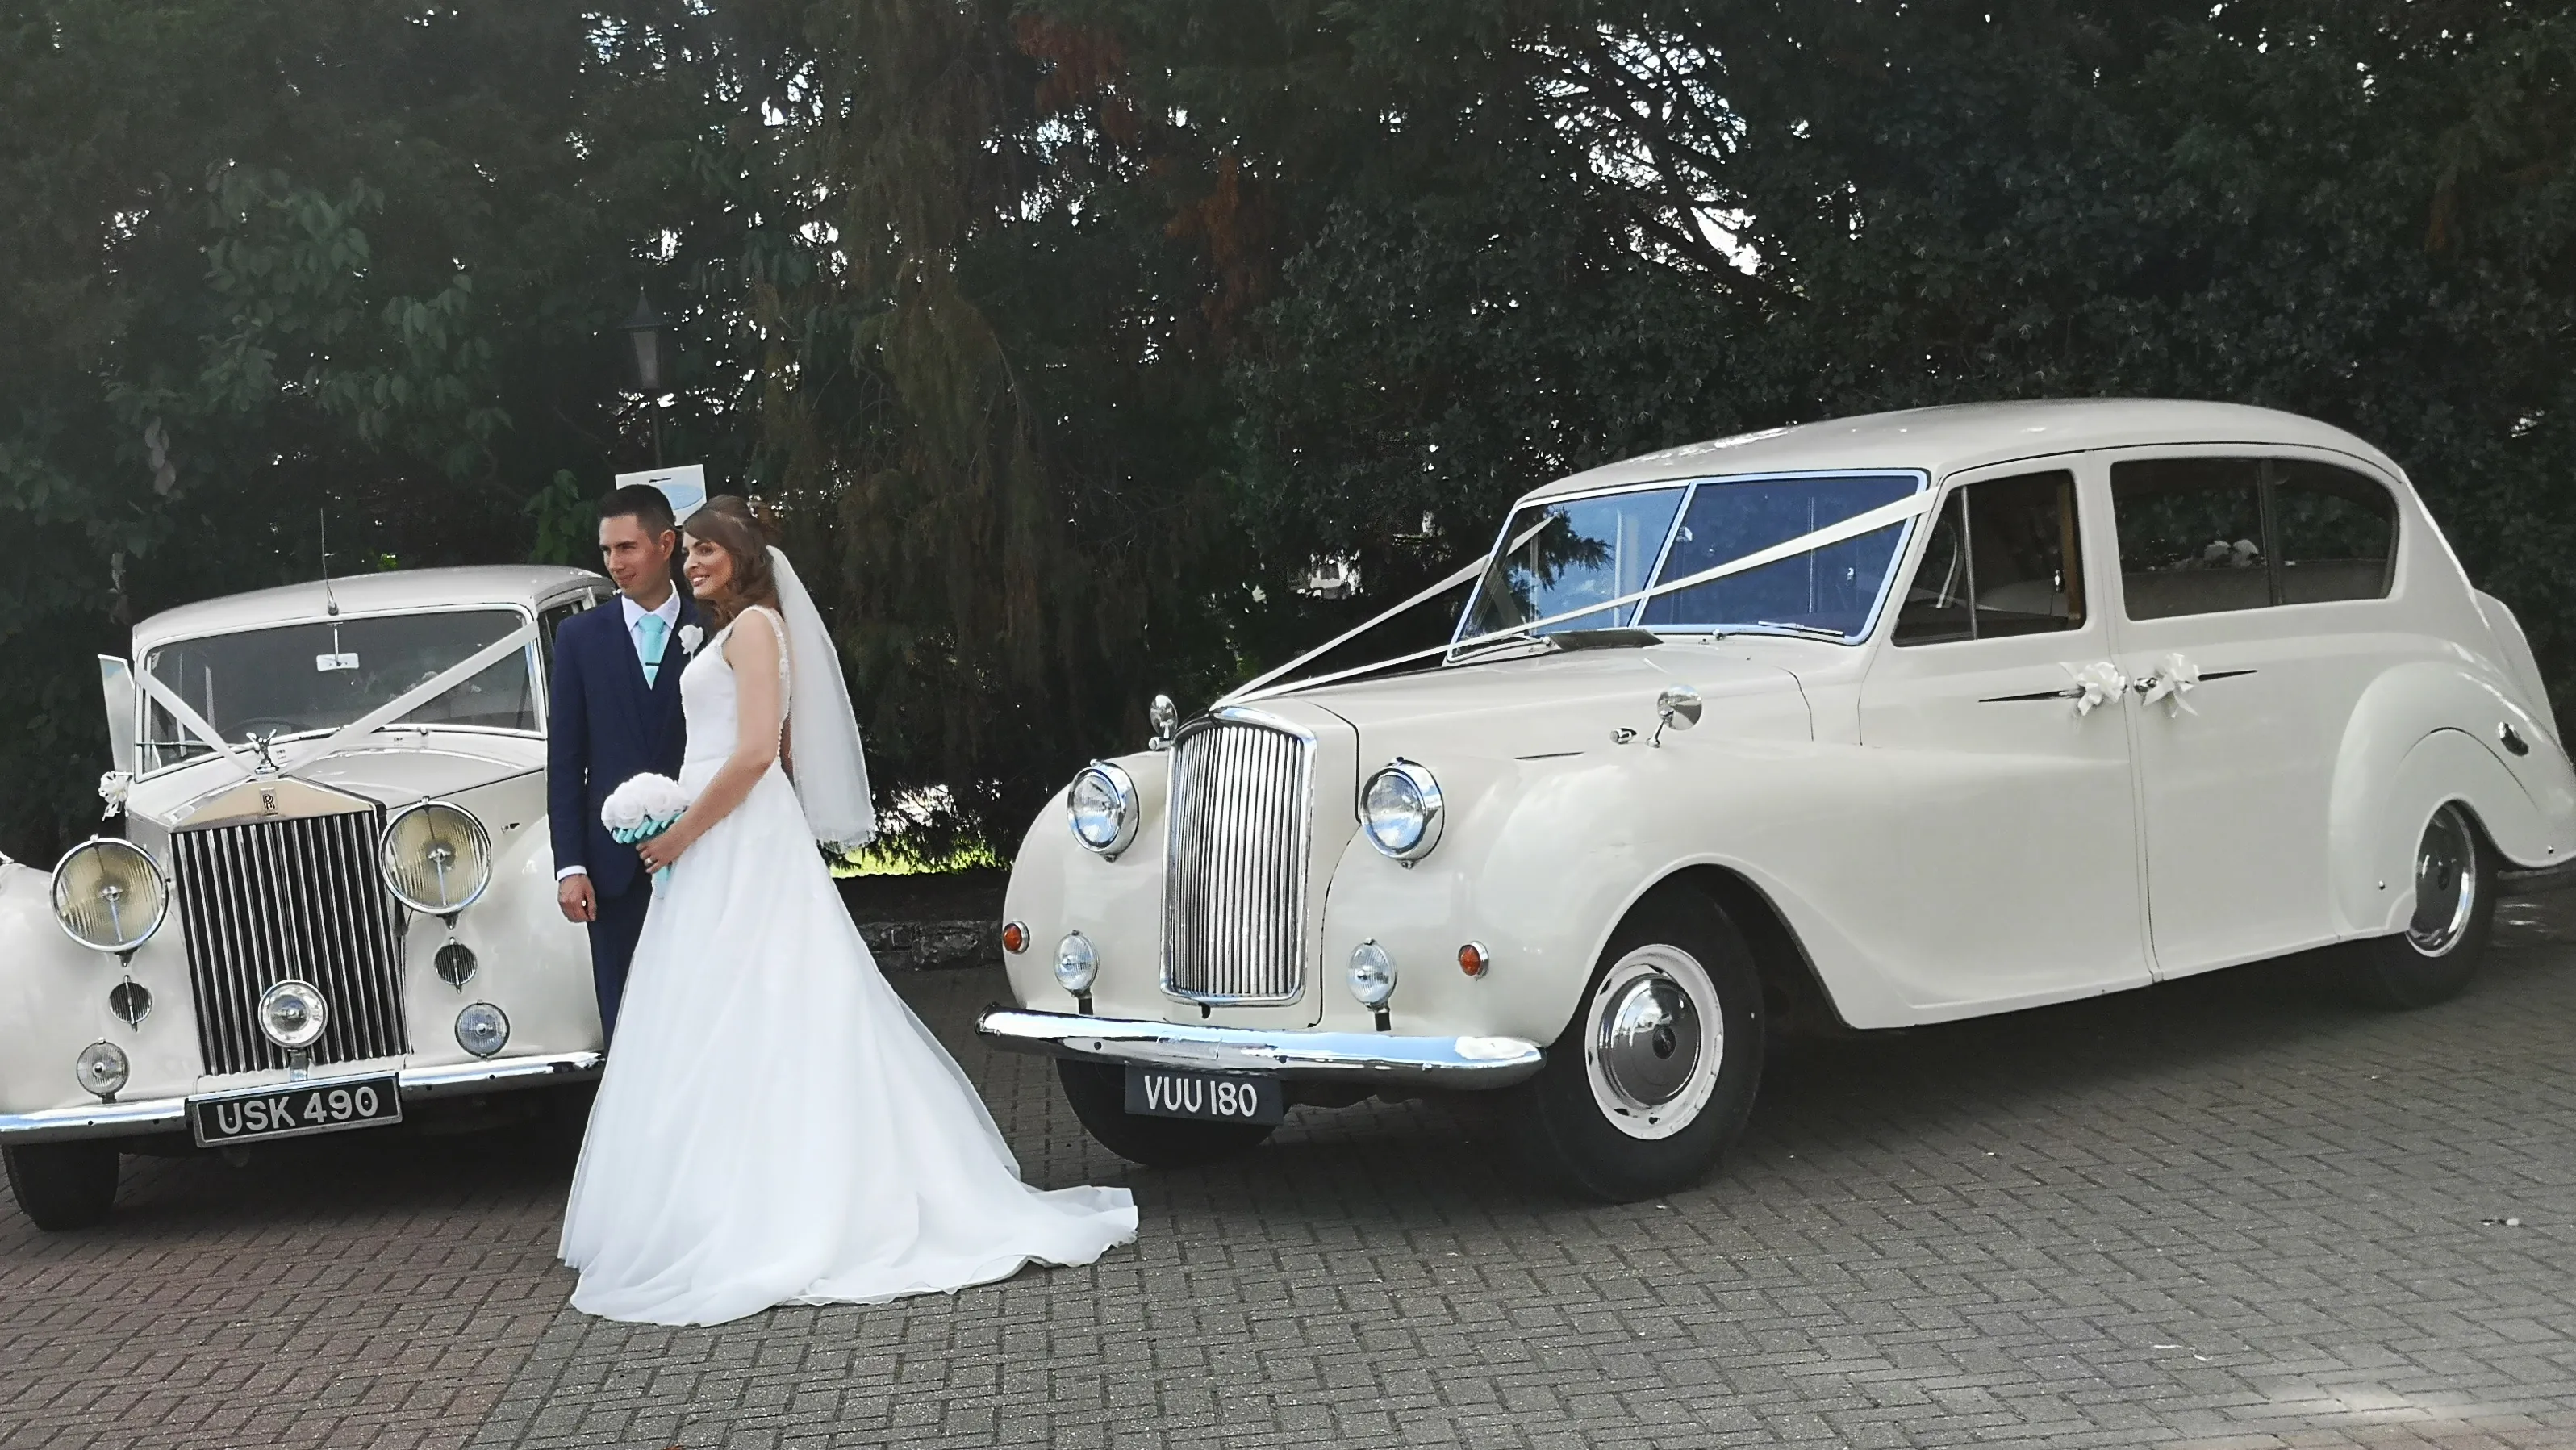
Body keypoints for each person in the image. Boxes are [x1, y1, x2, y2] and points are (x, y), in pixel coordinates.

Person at [558, 499, 1137, 1326]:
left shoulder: (755, 629)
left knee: (774, 1002)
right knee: (722, 1012)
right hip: (722, 837)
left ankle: (797, 1202)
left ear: (743, 555)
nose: (691, 565)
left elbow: (758, 752)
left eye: (706, 552)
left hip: (737, 837)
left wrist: (682, 828)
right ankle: (719, 1195)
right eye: (686, 554)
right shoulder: (727, 630)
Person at [546, 483, 703, 1040]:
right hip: (610, 867)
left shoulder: (713, 627)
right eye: (607, 550)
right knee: (629, 1015)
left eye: (627, 547)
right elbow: (565, 759)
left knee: (706, 1001)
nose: (615, 563)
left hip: (704, 851)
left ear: (666, 544)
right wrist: (570, 865)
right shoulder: (579, 638)